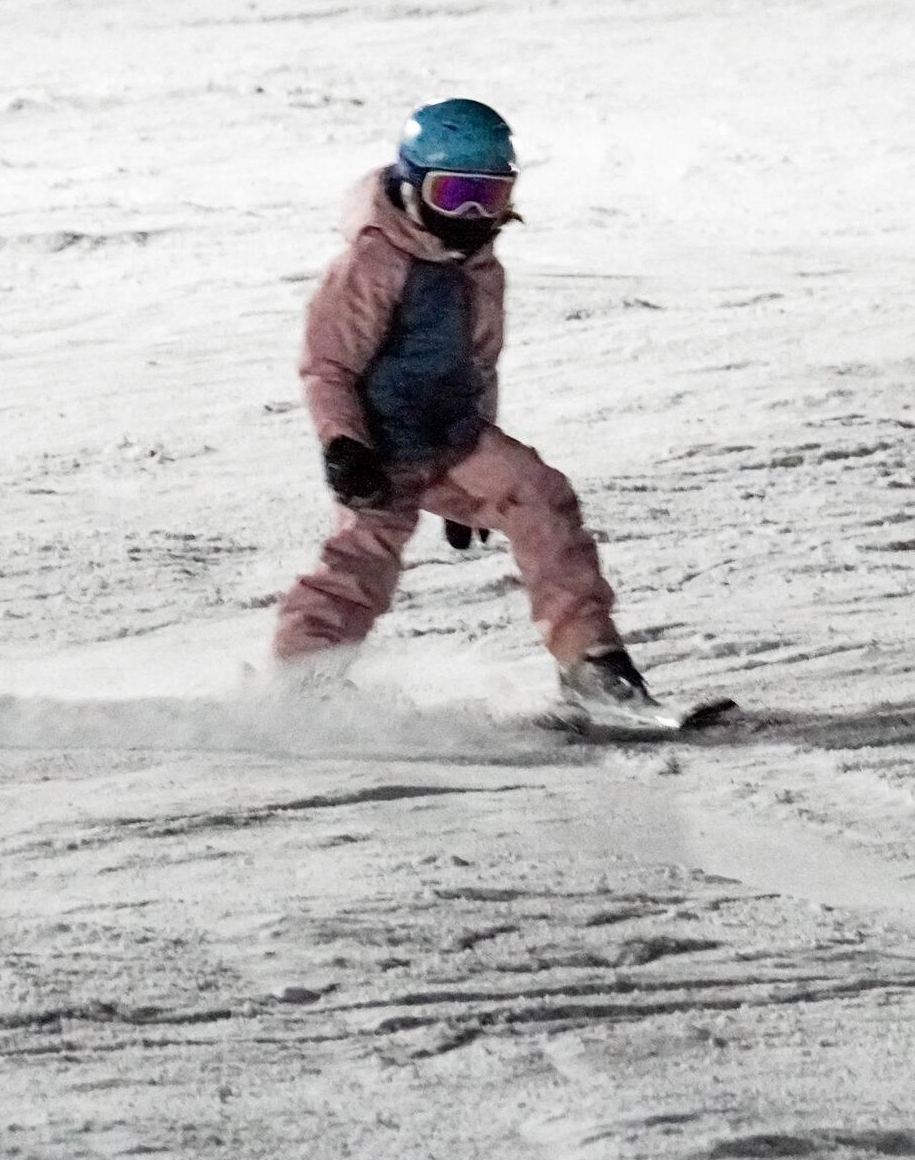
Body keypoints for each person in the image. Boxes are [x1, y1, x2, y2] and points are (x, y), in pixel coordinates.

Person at [272, 97, 656, 718]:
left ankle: (594, 666)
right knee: (360, 560)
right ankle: (302, 681)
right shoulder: (373, 264)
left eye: (491, 196)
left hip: (454, 438)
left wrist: (475, 471)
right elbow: (327, 365)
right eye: (455, 195)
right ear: (411, 186)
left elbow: (478, 367)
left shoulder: (480, 268)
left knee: (541, 498)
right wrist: (343, 444)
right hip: (376, 445)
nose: (474, 214)